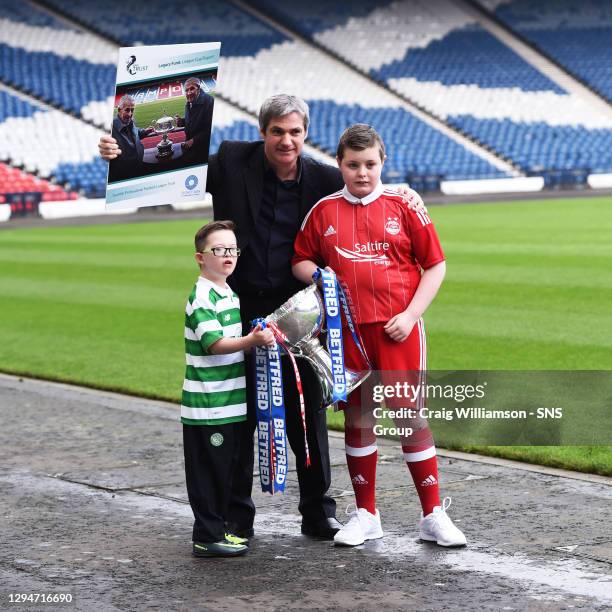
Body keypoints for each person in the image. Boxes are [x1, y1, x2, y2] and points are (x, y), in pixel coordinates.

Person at [98, 94, 425, 541]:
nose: (286, 140)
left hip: (301, 311)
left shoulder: (327, 178)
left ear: (305, 136)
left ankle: (317, 512)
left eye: (294, 132)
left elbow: (368, 185)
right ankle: (238, 517)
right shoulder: (233, 161)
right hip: (242, 307)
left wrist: (405, 192)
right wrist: (124, 151)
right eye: (277, 131)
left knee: (306, 411)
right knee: (243, 414)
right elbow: (174, 172)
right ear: (263, 132)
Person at [292, 124, 467, 547]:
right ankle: (366, 514)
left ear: (382, 162)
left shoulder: (405, 203)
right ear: (340, 165)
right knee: (358, 416)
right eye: (353, 165)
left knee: (408, 416)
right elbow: (299, 259)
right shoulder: (324, 211)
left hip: (398, 329)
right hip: (347, 334)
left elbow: (436, 265)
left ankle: (433, 514)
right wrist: (320, 277)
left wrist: (411, 315)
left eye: (370, 164)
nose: (362, 173)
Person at [183, 220, 275, 557]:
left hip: (230, 401)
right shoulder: (202, 295)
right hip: (209, 404)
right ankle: (207, 536)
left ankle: (221, 529)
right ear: (200, 257)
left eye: (232, 249)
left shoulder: (227, 292)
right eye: (218, 250)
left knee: (228, 468)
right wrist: (251, 340)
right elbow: (214, 343)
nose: (227, 255)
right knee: (209, 472)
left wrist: (257, 339)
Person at [109, 95, 153, 182]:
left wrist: (145, 132)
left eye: (132, 110)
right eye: (127, 110)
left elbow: (136, 134)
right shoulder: (111, 129)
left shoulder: (131, 121)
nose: (130, 114)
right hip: (126, 176)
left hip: (140, 165)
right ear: (119, 110)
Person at [174, 77, 214, 163]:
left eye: (192, 89)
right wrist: (182, 121)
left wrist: (193, 141)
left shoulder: (209, 102)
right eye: (186, 90)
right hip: (190, 146)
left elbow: (210, 129)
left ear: (199, 88)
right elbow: (194, 120)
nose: (189, 93)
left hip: (202, 149)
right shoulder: (189, 102)